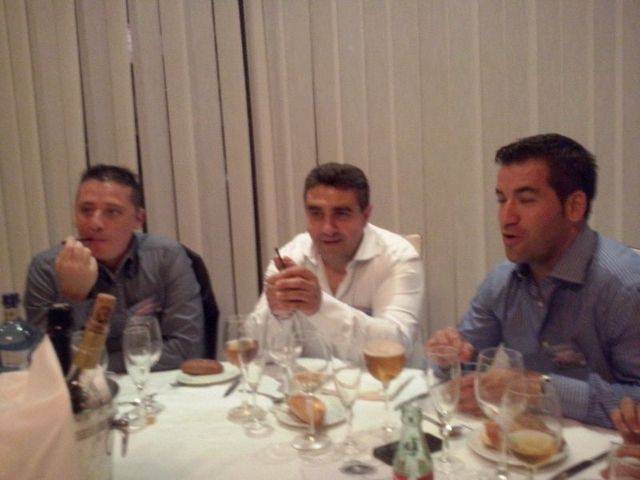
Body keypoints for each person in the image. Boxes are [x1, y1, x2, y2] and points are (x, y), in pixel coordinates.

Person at [426, 133, 640, 428]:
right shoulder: (502, 281)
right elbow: (462, 365)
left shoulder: (626, 287)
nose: (506, 217)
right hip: (527, 442)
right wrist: (447, 356)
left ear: (574, 207)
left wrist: (540, 389)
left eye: (526, 200)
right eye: (502, 199)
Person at [24, 165, 204, 372]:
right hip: (81, 390)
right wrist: (73, 297)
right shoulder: (46, 268)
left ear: (138, 219)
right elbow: (46, 362)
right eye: (86, 210)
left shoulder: (166, 257)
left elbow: (186, 348)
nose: (95, 223)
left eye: (112, 212)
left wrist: (98, 365)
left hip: (154, 387)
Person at [252, 162, 424, 357]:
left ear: (365, 215)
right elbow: (257, 351)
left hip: (382, 377)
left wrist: (321, 307)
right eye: (316, 213)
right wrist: (277, 314)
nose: (328, 228)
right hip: (310, 377)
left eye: (341, 214)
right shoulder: (289, 258)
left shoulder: (399, 257)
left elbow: (396, 346)